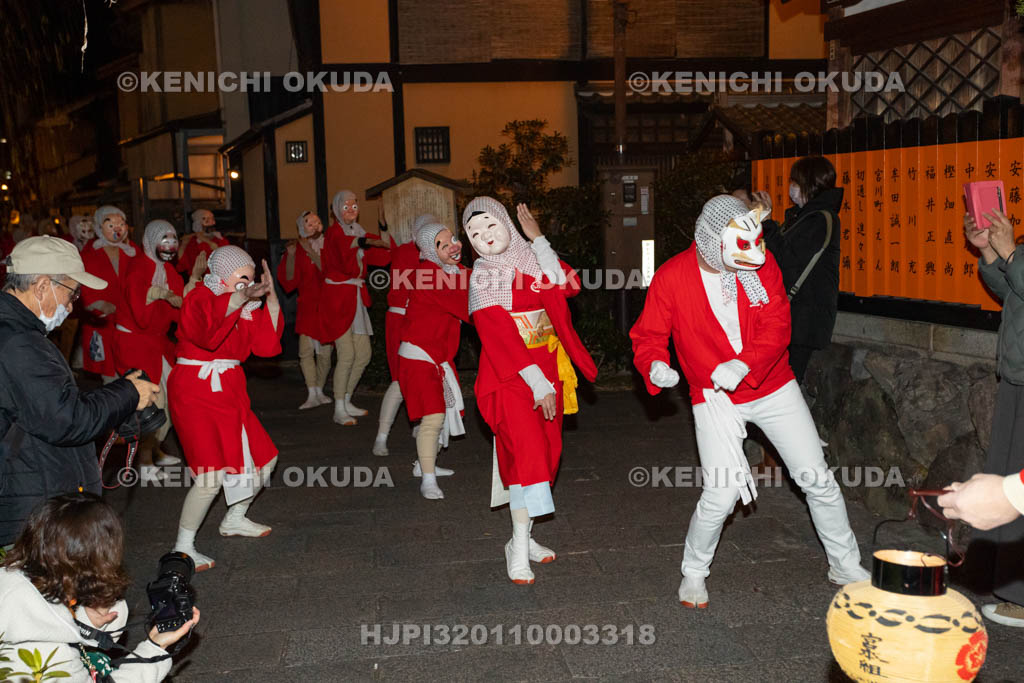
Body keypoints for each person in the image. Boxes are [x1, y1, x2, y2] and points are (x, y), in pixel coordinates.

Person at [630, 195, 869, 609]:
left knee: (817, 479)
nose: (756, 254)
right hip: (713, 394)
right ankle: (693, 571)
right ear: (711, 243)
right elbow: (648, 335)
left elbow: (778, 323)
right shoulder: (672, 277)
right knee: (721, 494)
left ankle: (845, 565)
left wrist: (744, 364)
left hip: (773, 383)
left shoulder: (761, 263)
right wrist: (654, 366)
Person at [464, 198, 597, 585]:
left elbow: (568, 286)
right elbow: (499, 336)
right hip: (509, 377)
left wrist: (538, 241)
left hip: (550, 368)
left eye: (490, 225)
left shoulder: (531, 259)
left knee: (548, 455)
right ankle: (518, 546)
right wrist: (536, 382)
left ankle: (523, 536)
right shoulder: (483, 277)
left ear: (507, 223)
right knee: (527, 456)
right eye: (475, 233)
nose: (484, 237)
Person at [0, 236, 159, 546]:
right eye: (72, 293)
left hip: (33, 495)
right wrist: (127, 394)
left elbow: (48, 405)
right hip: (33, 511)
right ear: (42, 286)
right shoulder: (18, 342)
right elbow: (67, 420)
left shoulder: (18, 332)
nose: (74, 305)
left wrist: (120, 400)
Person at [0, 493, 199, 682]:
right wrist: (155, 647)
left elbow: (36, 619)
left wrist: (83, 623)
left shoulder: (9, 578)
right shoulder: (55, 659)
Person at [168, 245, 283, 572]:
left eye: (251, 276)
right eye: (242, 276)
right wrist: (241, 299)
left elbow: (265, 346)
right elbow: (207, 336)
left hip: (229, 390)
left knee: (266, 456)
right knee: (210, 474)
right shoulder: (200, 297)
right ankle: (183, 548)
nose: (248, 282)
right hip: (195, 389)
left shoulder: (244, 305)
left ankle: (234, 517)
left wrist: (271, 298)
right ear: (222, 275)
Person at [958, 207, 1024, 627]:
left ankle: (1019, 596)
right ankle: (1011, 587)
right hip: (1017, 372)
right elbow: (1012, 291)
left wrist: (1013, 255)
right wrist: (989, 253)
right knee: (1009, 478)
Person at [397, 220, 469, 499]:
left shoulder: (450, 270)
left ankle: (423, 466)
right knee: (435, 415)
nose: (454, 245)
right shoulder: (429, 275)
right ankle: (427, 478)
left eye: (453, 238)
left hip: (435, 355)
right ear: (429, 250)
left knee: (441, 414)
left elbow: (477, 279)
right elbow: (468, 306)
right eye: (444, 243)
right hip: (419, 355)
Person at [758, 156, 842, 383]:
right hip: (794, 318)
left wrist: (767, 224)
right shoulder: (804, 217)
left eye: (795, 182)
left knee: (783, 387)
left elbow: (788, 260)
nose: (791, 188)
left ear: (809, 184)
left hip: (803, 320)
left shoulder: (820, 219)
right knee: (778, 387)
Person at [114, 220, 185, 482]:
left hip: (154, 343)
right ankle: (144, 461)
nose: (171, 245)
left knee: (174, 394)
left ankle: (155, 450)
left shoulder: (166, 269)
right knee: (153, 402)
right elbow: (142, 318)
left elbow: (179, 307)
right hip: (135, 345)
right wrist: (159, 294)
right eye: (164, 239)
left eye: (174, 238)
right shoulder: (138, 270)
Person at [321, 190, 388, 426]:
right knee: (347, 354)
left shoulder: (358, 232)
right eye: (345, 206)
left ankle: (347, 398)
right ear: (336, 210)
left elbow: (383, 251)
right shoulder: (333, 234)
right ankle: (338, 407)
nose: (350, 211)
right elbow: (342, 248)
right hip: (338, 299)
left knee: (364, 355)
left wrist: (383, 222)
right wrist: (367, 241)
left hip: (355, 297)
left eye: (354, 206)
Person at [373, 212, 435, 456]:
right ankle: (384, 435)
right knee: (402, 380)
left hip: (415, 319)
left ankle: (418, 429)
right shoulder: (412, 253)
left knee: (420, 379)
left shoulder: (419, 253)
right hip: (404, 319)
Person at [277, 211, 333, 410]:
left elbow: (330, 272)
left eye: (318, 222)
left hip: (328, 305)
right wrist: (291, 256)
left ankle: (319, 388)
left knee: (326, 353)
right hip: (308, 306)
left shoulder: (330, 245)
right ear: (302, 227)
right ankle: (311, 391)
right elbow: (289, 282)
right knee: (306, 351)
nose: (316, 226)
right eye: (310, 224)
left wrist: (310, 251)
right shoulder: (296, 249)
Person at [80, 206, 137, 381]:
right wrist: (96, 303)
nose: (117, 228)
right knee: (109, 373)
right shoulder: (89, 254)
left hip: (129, 322)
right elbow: (83, 285)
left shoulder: (133, 252)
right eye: (111, 225)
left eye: (121, 224)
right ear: (99, 227)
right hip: (104, 321)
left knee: (133, 367)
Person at [176, 208, 228, 278]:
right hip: (200, 278)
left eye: (212, 219)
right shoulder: (193, 242)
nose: (211, 224)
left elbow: (226, 260)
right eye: (205, 220)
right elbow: (185, 264)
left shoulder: (220, 240)